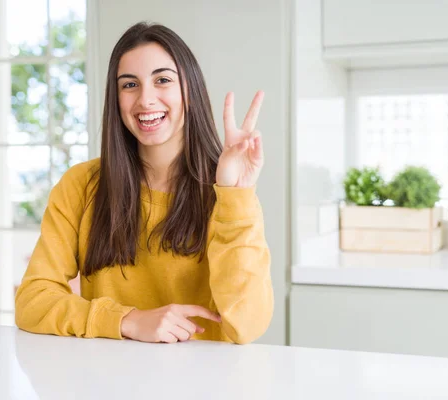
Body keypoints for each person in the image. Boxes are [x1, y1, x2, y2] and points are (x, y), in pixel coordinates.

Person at [14, 22, 273, 345]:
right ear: (116, 98)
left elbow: (247, 324)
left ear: (189, 91)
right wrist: (127, 320)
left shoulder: (226, 194)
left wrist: (236, 195)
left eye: (162, 80)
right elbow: (32, 301)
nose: (145, 99)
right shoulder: (80, 185)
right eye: (129, 85)